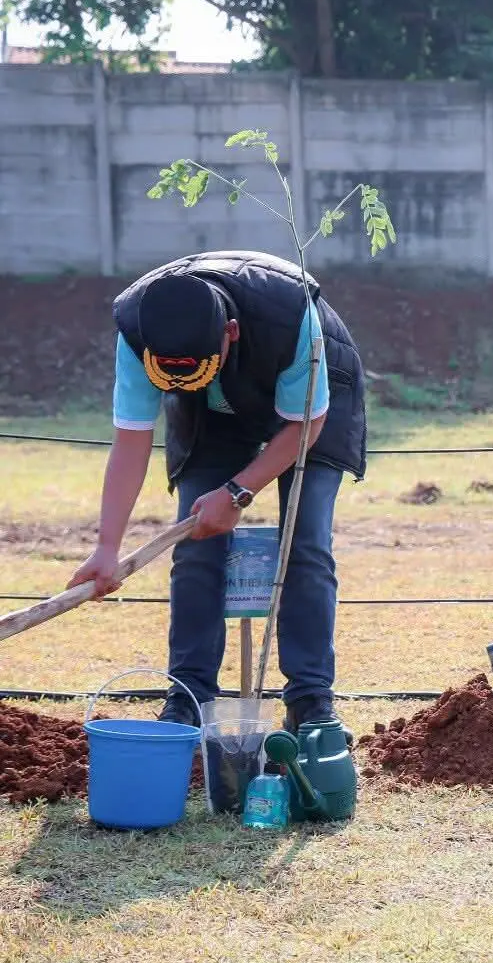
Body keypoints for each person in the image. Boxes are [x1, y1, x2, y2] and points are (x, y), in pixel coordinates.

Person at [68, 250, 367, 733]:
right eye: (169, 370)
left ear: (229, 332)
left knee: (304, 542)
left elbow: (306, 423)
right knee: (195, 544)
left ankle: (311, 699)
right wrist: (106, 547)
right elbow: (131, 439)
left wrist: (239, 491)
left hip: (312, 404)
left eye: (193, 366)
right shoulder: (139, 328)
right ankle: (188, 694)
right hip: (211, 410)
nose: (179, 374)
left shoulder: (291, 317)